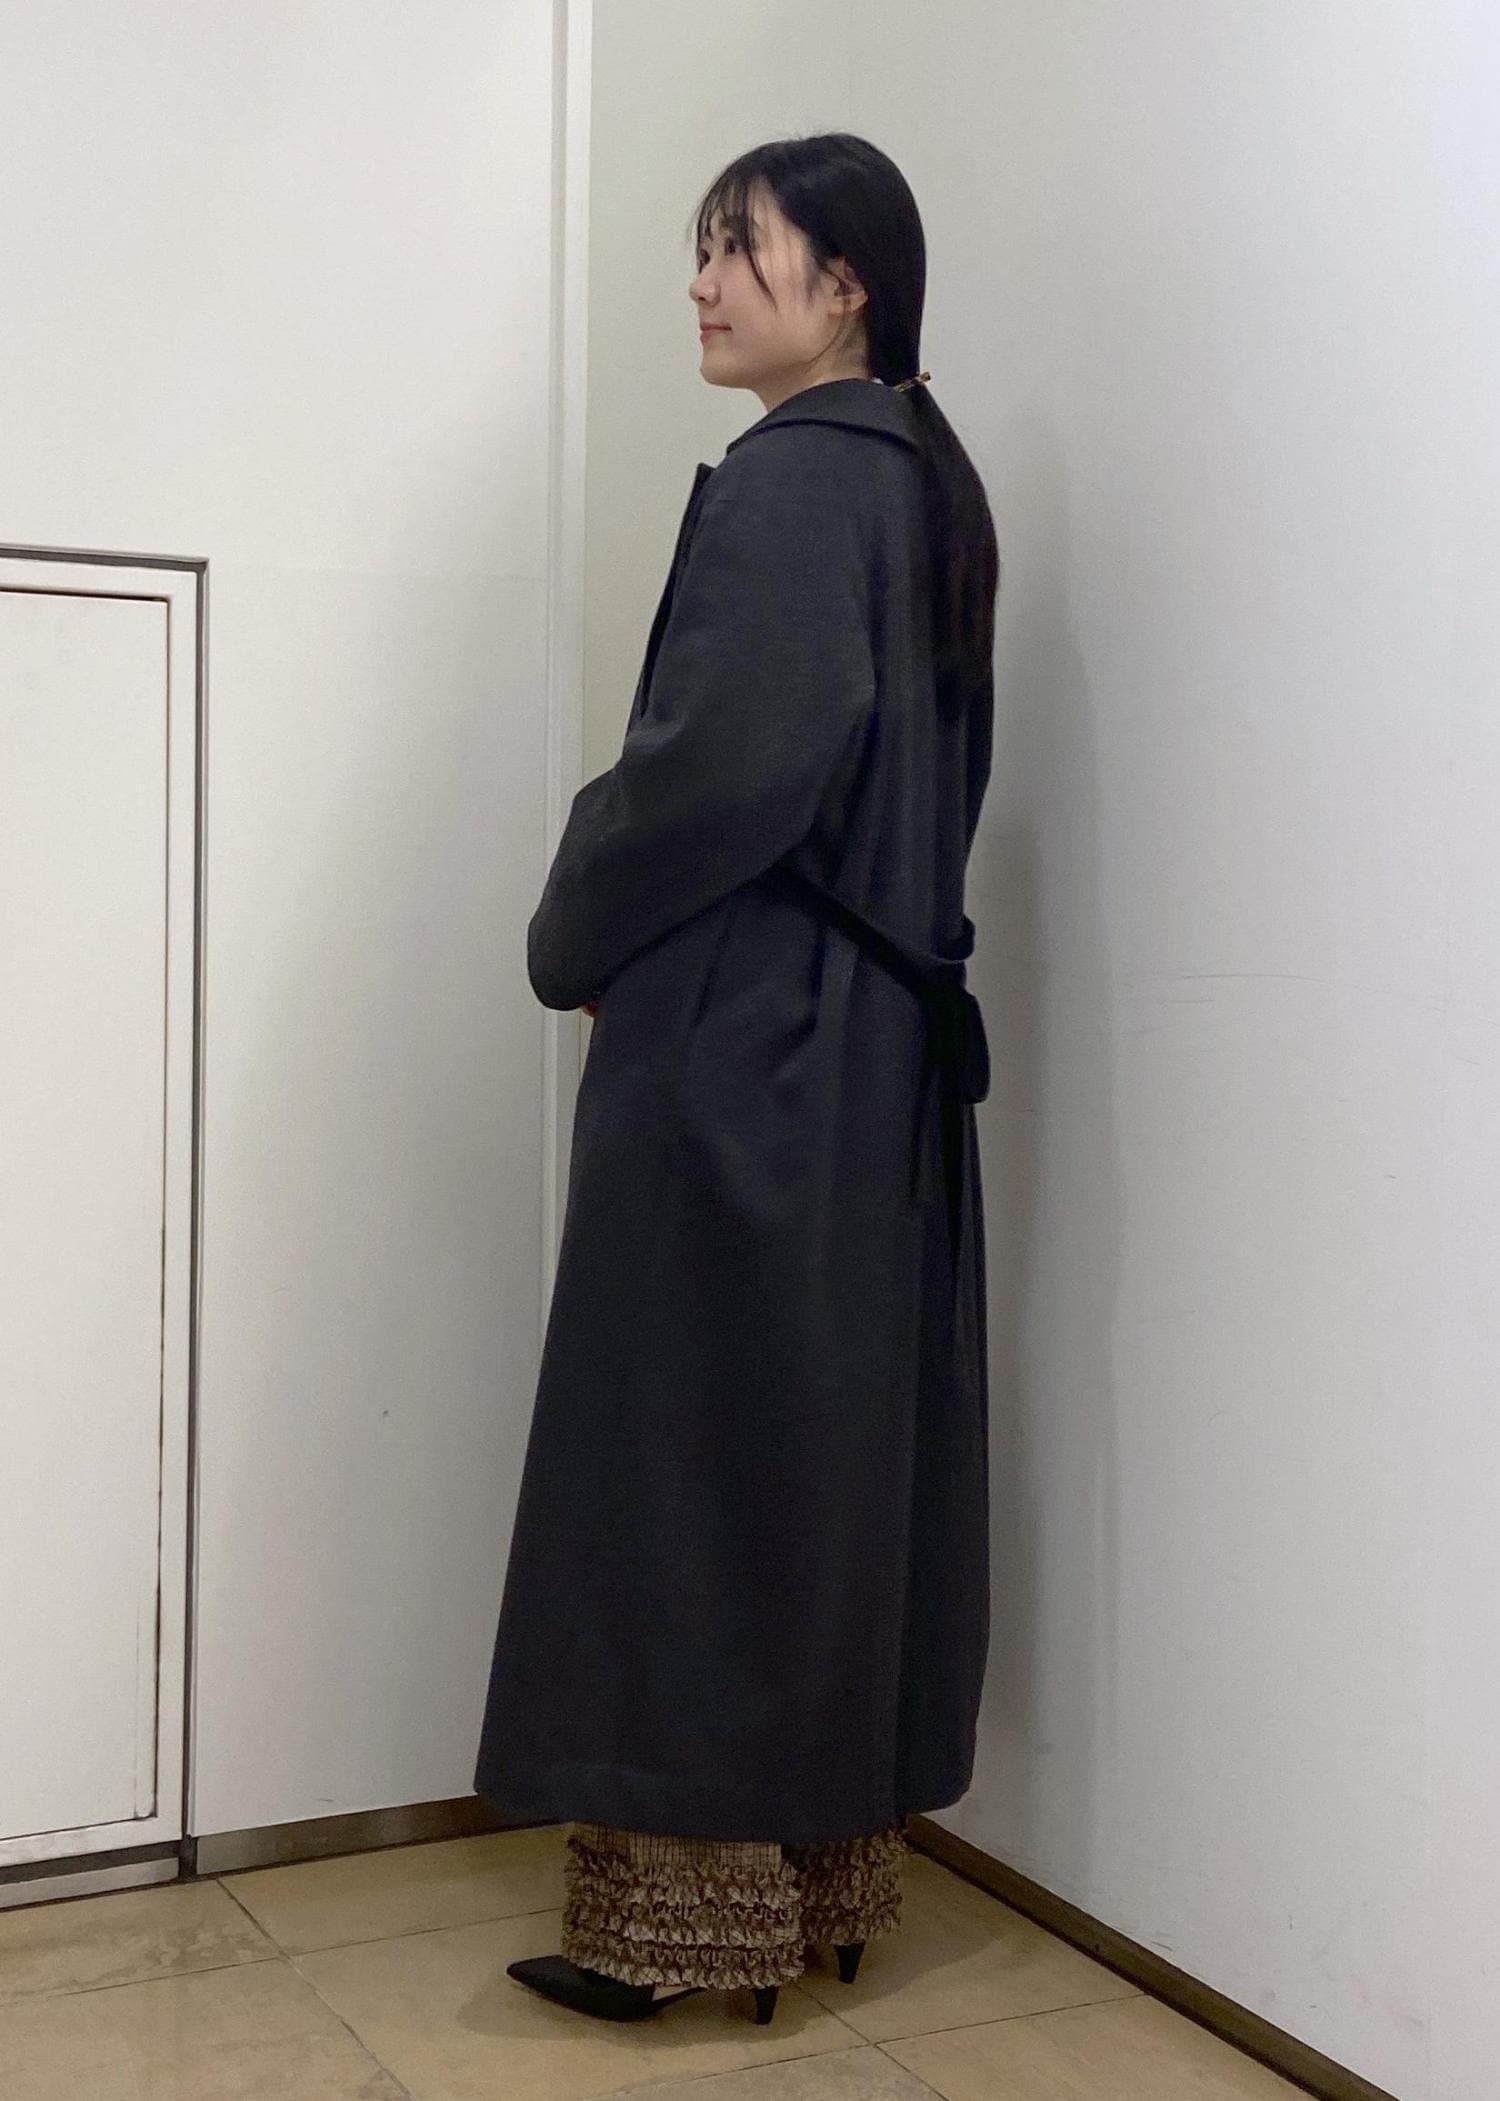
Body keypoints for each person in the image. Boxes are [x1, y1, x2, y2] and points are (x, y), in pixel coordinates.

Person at [474, 131, 999, 2027]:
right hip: (869, 1056)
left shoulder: (797, 483)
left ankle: (678, 1932)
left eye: (736, 249)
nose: (698, 285)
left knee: (685, 1466)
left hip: (749, 1047)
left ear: (844, 282)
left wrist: (573, 929)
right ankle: (826, 1885)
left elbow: (714, 770)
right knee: (822, 1461)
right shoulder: (928, 484)